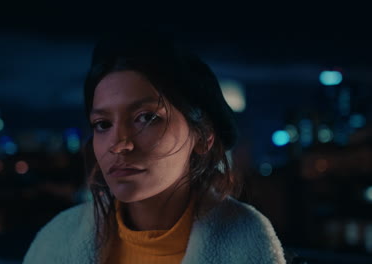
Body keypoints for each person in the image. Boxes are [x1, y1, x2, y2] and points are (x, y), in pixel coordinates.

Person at [23, 30, 286, 264]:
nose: (119, 144)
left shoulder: (247, 245)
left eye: (147, 118)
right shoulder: (55, 243)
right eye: (102, 124)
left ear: (204, 135)